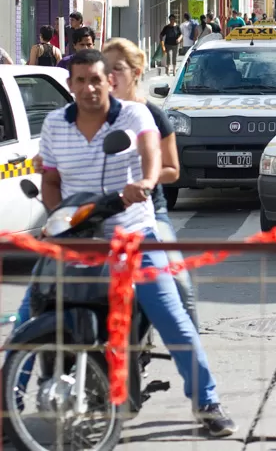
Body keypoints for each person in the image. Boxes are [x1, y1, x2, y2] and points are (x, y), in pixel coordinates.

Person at [29, 49, 236, 436]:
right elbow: (51, 181)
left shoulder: (135, 114)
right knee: (31, 309)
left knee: (172, 315)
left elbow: (150, 155)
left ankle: (207, 403)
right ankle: (10, 404)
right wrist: (59, 219)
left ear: (110, 81)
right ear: (69, 84)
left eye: (96, 79)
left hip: (133, 235)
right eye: (80, 80)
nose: (89, 87)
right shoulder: (56, 124)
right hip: (79, 239)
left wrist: (145, 181)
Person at [102, 37, 199, 328]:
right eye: (105, 68)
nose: (111, 76)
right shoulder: (95, 113)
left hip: (149, 214)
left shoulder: (154, 115)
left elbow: (172, 170)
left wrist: (143, 181)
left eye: (118, 68)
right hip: (102, 212)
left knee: (179, 283)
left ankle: (191, 351)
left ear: (136, 71)